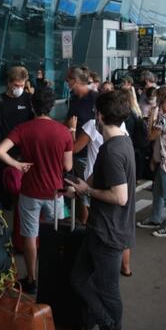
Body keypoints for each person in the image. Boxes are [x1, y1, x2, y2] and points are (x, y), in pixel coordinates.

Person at [65, 90, 135, 330]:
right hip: (102, 228)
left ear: (99, 116)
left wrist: (89, 191)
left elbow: (120, 197)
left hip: (108, 232)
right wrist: (80, 188)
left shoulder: (112, 150)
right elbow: (98, 178)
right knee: (79, 279)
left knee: (107, 290)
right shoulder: (120, 143)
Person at [0, 88, 73, 294]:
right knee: (57, 236)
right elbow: (68, 166)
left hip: (29, 192)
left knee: (31, 236)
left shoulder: (23, 129)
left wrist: (17, 164)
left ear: (32, 106)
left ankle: (32, 278)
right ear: (52, 106)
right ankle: (56, 276)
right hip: (55, 192)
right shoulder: (64, 132)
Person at [0, 66, 34, 208]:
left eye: (22, 85)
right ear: (9, 83)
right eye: (16, 85)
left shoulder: (28, 100)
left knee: (21, 179)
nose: (19, 88)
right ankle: (2, 205)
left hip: (22, 150)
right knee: (2, 181)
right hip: (1, 147)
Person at [138, 86, 166, 238]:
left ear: (161, 98)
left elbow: (150, 136)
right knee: (158, 190)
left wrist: (151, 118)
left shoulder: (163, 118)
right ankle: (156, 218)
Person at [65, 66, 99, 222]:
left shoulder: (95, 98)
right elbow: (68, 121)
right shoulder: (74, 100)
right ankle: (82, 224)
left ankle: (86, 227)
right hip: (74, 153)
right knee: (78, 194)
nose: (66, 83)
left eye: (68, 80)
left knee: (86, 195)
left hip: (88, 155)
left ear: (76, 80)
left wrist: (72, 129)